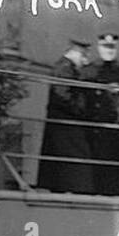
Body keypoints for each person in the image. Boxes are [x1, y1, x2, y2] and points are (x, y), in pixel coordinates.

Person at [36, 39, 95, 194]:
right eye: (83, 56)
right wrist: (81, 109)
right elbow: (63, 95)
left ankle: (67, 187)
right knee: (75, 157)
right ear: (75, 53)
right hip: (66, 121)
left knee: (66, 159)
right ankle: (76, 189)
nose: (84, 61)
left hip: (63, 120)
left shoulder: (65, 68)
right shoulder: (65, 69)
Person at [86, 32, 119, 196]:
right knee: (95, 161)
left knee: (113, 162)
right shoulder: (90, 71)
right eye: (106, 47)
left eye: (112, 47)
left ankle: (113, 192)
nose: (109, 51)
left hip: (114, 123)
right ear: (99, 47)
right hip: (95, 123)